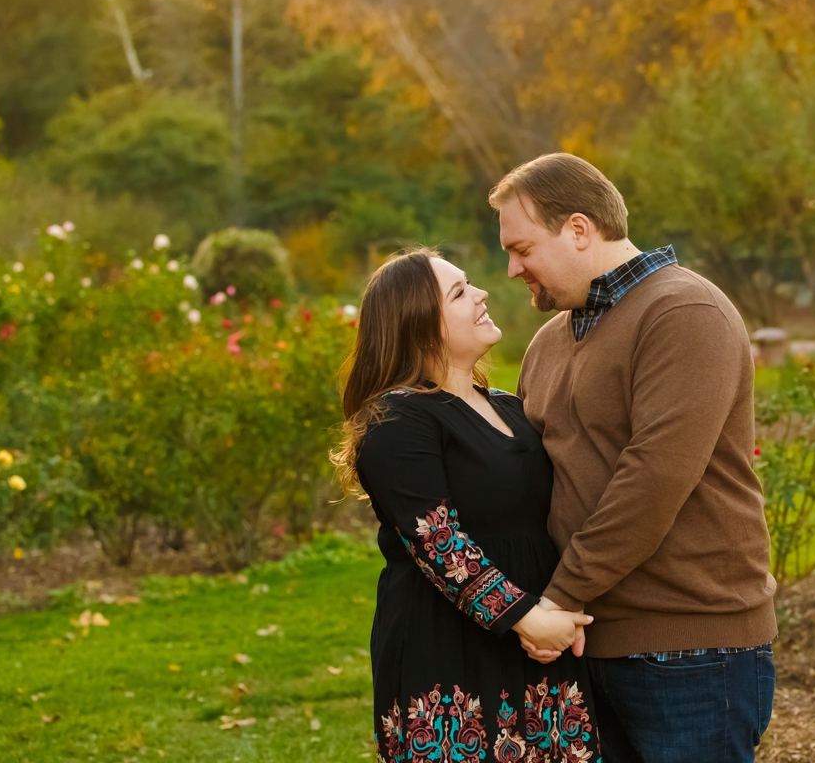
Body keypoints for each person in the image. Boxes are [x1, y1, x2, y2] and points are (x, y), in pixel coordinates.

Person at [493, 153, 778, 763]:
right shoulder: (550, 341)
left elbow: (654, 477)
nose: (512, 268)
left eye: (522, 248)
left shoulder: (682, 313)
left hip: (691, 648)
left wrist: (561, 596)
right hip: (588, 642)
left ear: (577, 229)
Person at [331, 247, 603, 763]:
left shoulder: (508, 405)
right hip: (449, 650)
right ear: (418, 324)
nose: (480, 293)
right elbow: (437, 540)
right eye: (458, 292)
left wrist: (559, 606)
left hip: (539, 641)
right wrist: (527, 618)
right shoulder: (397, 419)